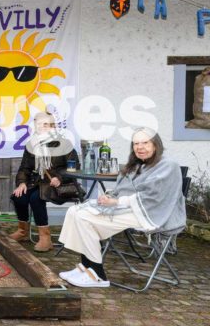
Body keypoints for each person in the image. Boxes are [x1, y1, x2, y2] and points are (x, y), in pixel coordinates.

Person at [58, 128, 186, 288]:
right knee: (75, 211)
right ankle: (86, 267)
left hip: (152, 213)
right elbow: (122, 190)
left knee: (84, 218)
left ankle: (98, 275)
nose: (140, 147)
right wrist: (109, 197)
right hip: (129, 208)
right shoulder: (136, 165)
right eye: (136, 143)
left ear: (156, 145)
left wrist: (117, 202)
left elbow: (153, 197)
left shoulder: (168, 165)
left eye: (145, 143)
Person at [9, 112, 80, 252]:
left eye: (46, 124)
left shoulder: (64, 144)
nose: (42, 127)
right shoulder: (31, 144)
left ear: (53, 126)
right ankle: (23, 232)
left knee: (36, 198)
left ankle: (45, 239)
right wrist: (22, 183)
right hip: (36, 182)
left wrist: (59, 178)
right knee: (19, 197)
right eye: (39, 124)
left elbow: (74, 166)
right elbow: (24, 168)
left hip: (58, 184)